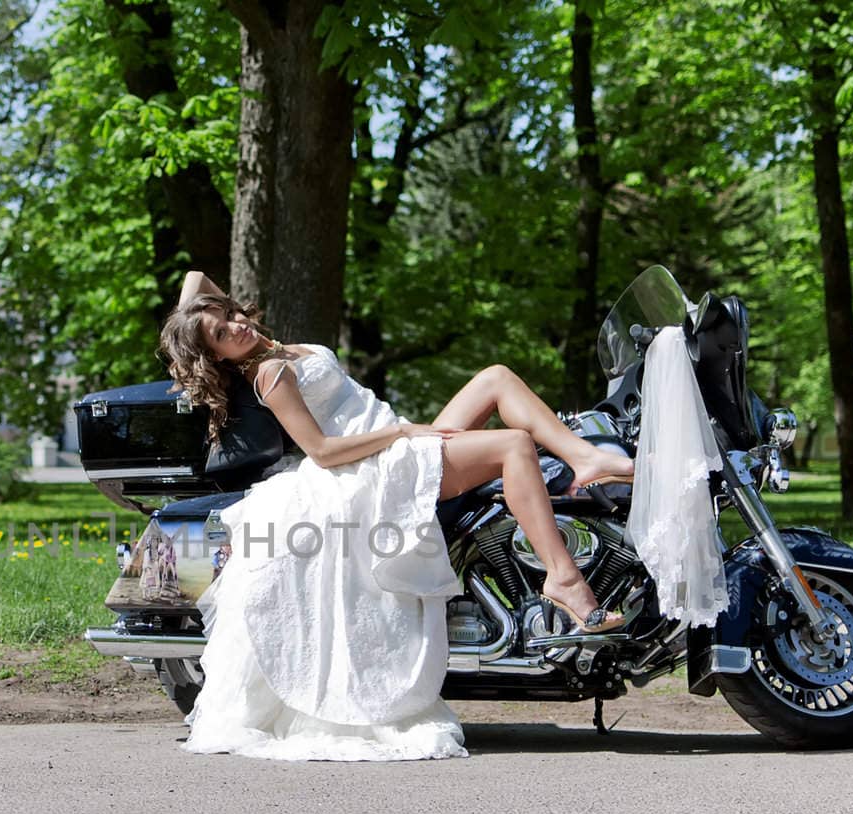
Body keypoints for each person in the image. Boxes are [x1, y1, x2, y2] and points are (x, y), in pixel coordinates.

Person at [157, 272, 634, 762]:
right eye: (222, 334)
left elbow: (196, 281)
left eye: (233, 315)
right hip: (372, 468)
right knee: (513, 445)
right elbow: (321, 451)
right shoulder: (269, 374)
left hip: (392, 440)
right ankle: (563, 577)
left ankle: (586, 459)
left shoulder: (274, 346)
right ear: (215, 356)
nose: (236, 326)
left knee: (496, 376)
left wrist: (202, 317)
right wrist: (405, 434)